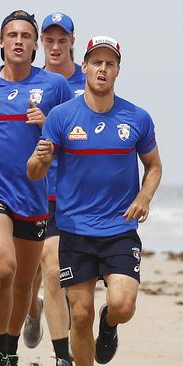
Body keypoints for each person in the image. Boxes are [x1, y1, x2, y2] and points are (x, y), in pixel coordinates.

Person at [27, 35, 162, 366]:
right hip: (75, 231)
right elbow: (34, 171)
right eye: (97, 62)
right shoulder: (61, 116)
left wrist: (144, 197)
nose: (103, 69)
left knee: (123, 305)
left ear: (118, 71)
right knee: (81, 315)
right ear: (84, 66)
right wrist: (41, 158)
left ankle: (110, 323)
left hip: (119, 228)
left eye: (110, 64)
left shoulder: (137, 118)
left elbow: (154, 166)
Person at [0, 10, 71, 366]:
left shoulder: (55, 87)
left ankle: (9, 350)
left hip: (35, 195)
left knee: (24, 282)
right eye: (12, 35)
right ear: (1, 42)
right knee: (4, 267)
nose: (19, 41)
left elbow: (73, 137)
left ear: (35, 44)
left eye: (26, 36)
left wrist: (48, 123)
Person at [22, 12, 85, 366]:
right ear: (40, 42)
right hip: (31, 189)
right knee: (26, 275)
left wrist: (53, 127)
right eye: (50, 39)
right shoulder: (29, 81)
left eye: (63, 40)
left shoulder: (87, 81)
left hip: (71, 194)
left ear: (72, 42)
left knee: (52, 268)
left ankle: (63, 356)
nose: (56, 46)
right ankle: (33, 311)